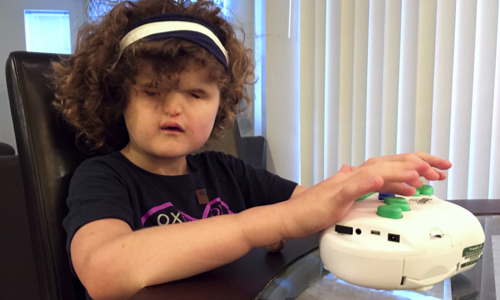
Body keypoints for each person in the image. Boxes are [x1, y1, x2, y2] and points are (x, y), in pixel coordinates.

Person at [51, 0, 452, 299]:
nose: (174, 108)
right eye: (152, 91)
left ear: (220, 103)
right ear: (118, 98)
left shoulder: (227, 171)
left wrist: (358, 184)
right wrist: (258, 225)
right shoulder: (102, 176)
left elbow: (306, 210)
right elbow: (103, 270)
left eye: (195, 93)